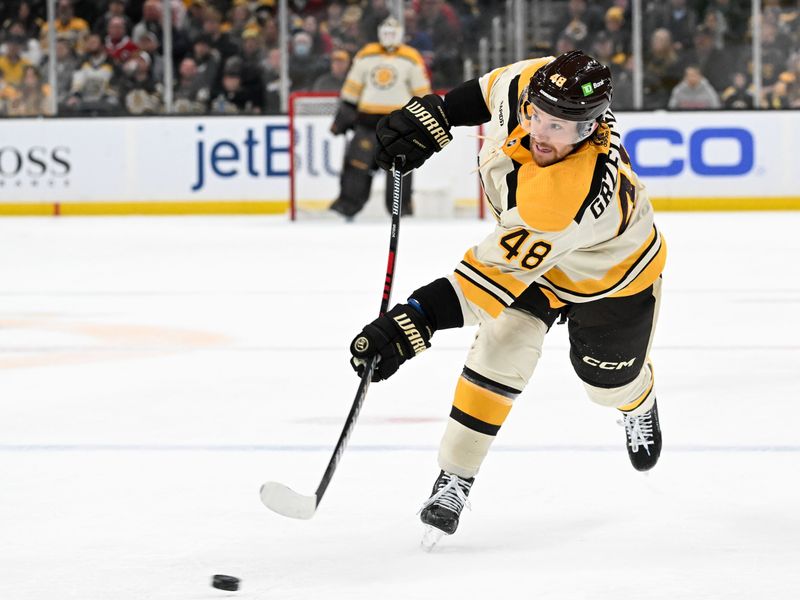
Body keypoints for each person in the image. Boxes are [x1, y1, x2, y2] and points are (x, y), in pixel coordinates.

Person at [347, 50, 667, 542]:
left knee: (605, 387)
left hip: (612, 278)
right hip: (534, 265)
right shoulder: (530, 86)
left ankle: (637, 398)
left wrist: (414, 321)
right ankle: (456, 475)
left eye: (560, 127)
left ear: (590, 127)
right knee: (500, 346)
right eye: (538, 115)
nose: (541, 132)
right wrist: (436, 114)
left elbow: (481, 285)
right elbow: (487, 91)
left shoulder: (563, 198)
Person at [329, 16, 431, 219]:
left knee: (400, 170)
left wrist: (423, 120)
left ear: (401, 35)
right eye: (385, 33)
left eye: (393, 34)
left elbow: (422, 93)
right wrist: (343, 117)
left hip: (399, 126)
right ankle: (347, 207)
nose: (389, 37)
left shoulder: (411, 57)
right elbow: (352, 88)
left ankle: (401, 210)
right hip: (368, 123)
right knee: (357, 166)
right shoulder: (366, 55)